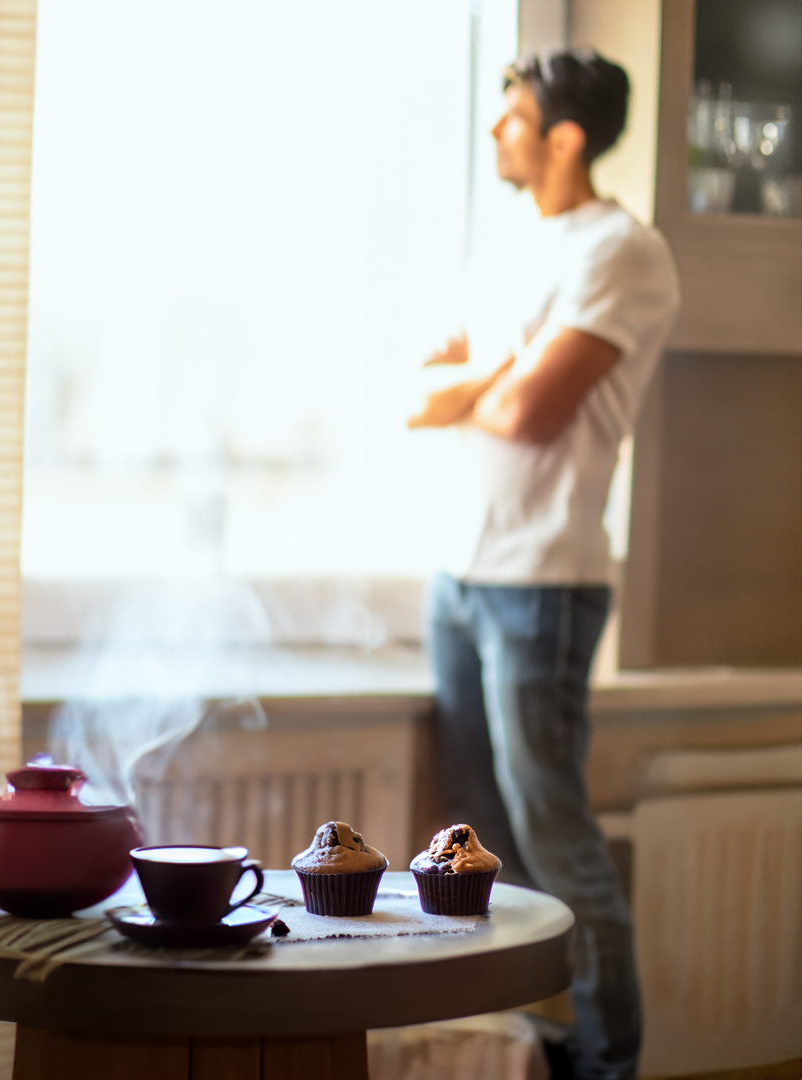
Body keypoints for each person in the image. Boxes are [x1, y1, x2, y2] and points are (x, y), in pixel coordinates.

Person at [407, 50, 680, 1080]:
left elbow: (526, 412)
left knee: (560, 848)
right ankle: (533, 1049)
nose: (495, 132)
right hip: (459, 581)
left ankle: (608, 1067)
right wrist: (500, 369)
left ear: (564, 136)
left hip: (543, 589)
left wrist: (486, 379)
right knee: (484, 848)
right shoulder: (506, 254)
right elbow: (416, 388)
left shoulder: (624, 251)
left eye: (512, 115)